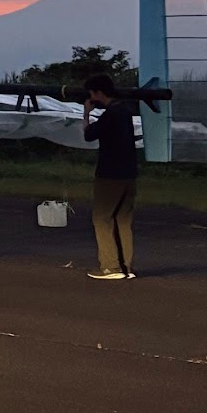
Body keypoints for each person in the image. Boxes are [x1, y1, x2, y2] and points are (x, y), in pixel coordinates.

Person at [82, 73, 139, 280]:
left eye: (92, 94)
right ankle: (126, 266)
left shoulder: (110, 115)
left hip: (109, 175)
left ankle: (110, 267)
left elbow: (89, 135)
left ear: (98, 93)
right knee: (123, 220)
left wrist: (86, 114)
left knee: (102, 219)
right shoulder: (125, 111)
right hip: (129, 174)